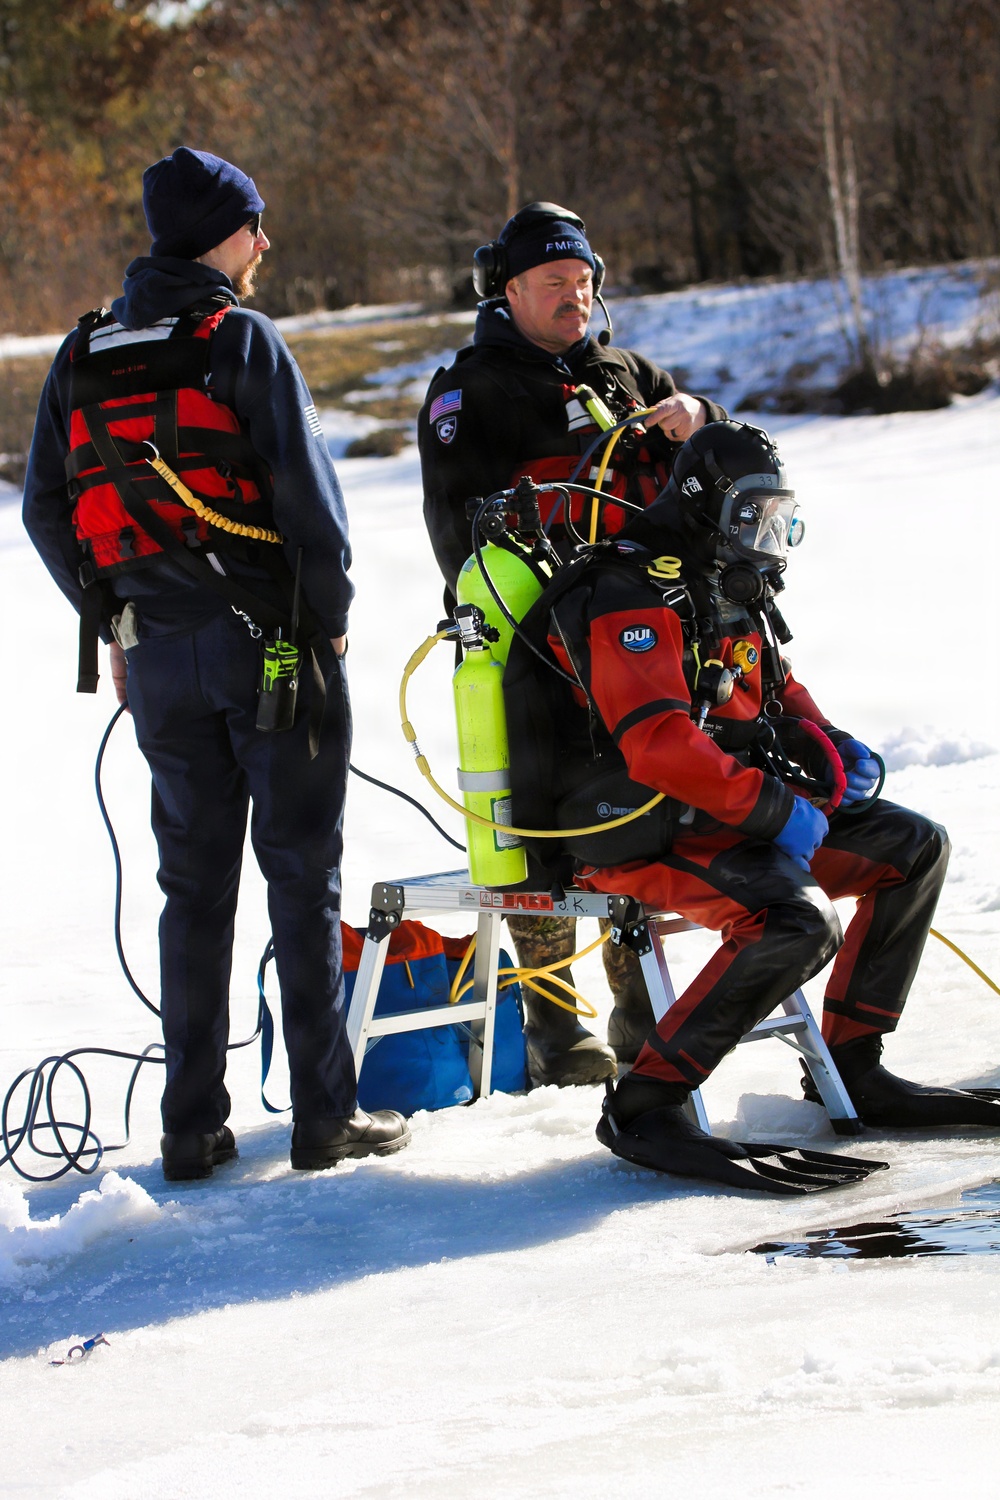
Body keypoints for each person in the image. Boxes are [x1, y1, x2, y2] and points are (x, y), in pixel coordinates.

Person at [23, 147, 410, 1181]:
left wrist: (113, 618)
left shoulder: (83, 352)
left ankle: (190, 1128)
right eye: (255, 225)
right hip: (271, 651)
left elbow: (44, 510)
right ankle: (326, 1118)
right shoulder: (238, 338)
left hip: (157, 659)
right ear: (220, 236)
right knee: (302, 876)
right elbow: (311, 513)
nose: (266, 243)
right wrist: (326, 625)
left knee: (191, 890)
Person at [502, 419, 1000, 1187]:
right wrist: (774, 812)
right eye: (750, 516)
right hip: (629, 824)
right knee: (794, 921)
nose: (764, 535)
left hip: (715, 808)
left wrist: (834, 746)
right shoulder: (627, 586)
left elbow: (775, 690)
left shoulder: (724, 577)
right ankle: (645, 1103)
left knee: (913, 847)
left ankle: (853, 1064)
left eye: (777, 518)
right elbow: (660, 745)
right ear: (705, 504)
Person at [418, 201, 728, 1088]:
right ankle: (556, 1020)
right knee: (542, 827)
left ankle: (639, 1010)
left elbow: (724, 464)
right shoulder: (468, 391)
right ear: (506, 290)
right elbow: (457, 534)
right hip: (535, 649)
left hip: (644, 638)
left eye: (584, 282)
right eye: (554, 283)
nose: (574, 298)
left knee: (634, 811)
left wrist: (697, 415)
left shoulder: (631, 373)